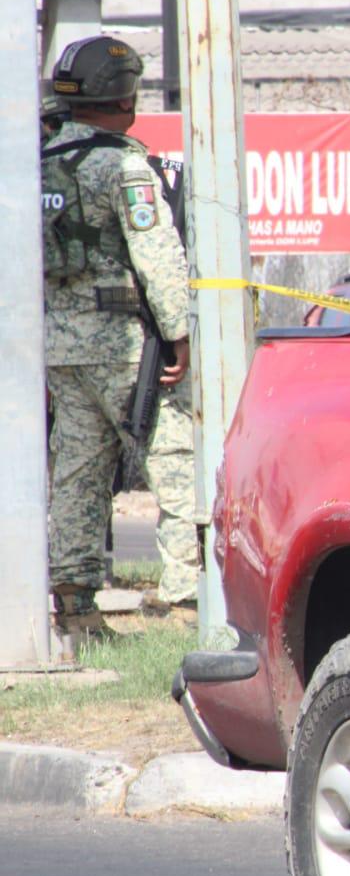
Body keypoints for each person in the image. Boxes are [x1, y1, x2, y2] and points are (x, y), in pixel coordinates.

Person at [41, 35, 199, 659]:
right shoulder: (126, 167)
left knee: (78, 472)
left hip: (61, 348)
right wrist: (180, 333)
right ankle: (192, 603)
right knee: (175, 460)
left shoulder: (36, 161)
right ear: (125, 95)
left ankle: (75, 605)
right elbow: (158, 258)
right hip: (127, 347)